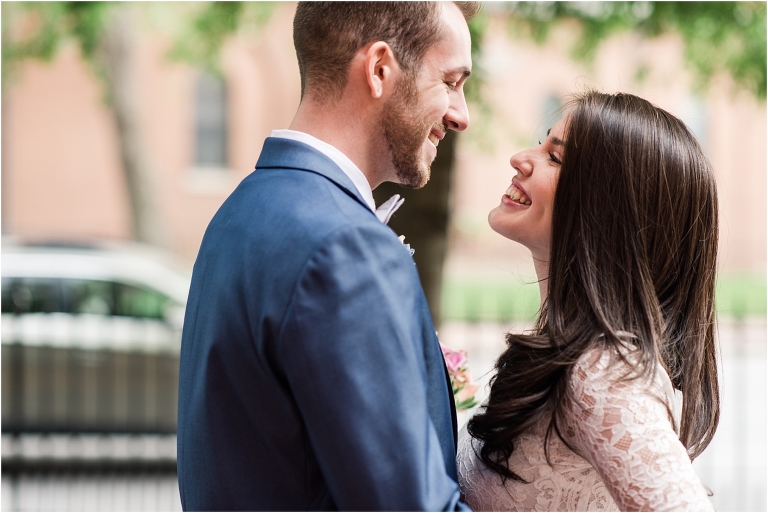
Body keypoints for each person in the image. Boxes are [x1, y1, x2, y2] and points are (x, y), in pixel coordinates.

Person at [177, 2, 479, 510]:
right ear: (380, 69)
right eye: (450, 82)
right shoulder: (346, 247)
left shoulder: (241, 211)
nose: (461, 115)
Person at [457, 90, 719, 511]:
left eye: (555, 159)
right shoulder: (576, 354)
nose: (520, 158)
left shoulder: (603, 371)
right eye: (542, 144)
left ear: (608, 210)